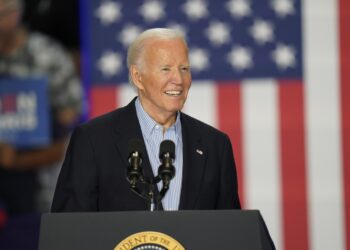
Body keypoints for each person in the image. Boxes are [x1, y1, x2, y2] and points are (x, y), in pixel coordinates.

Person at [51, 28, 241, 212]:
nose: (179, 79)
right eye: (166, 69)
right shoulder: (93, 140)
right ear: (137, 77)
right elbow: (69, 229)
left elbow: (230, 232)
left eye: (184, 68)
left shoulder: (215, 145)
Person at [0, 0, 82, 215]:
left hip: (40, 189)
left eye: (4, 12)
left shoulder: (48, 55)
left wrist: (20, 160)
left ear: (18, 11)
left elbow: (73, 126)